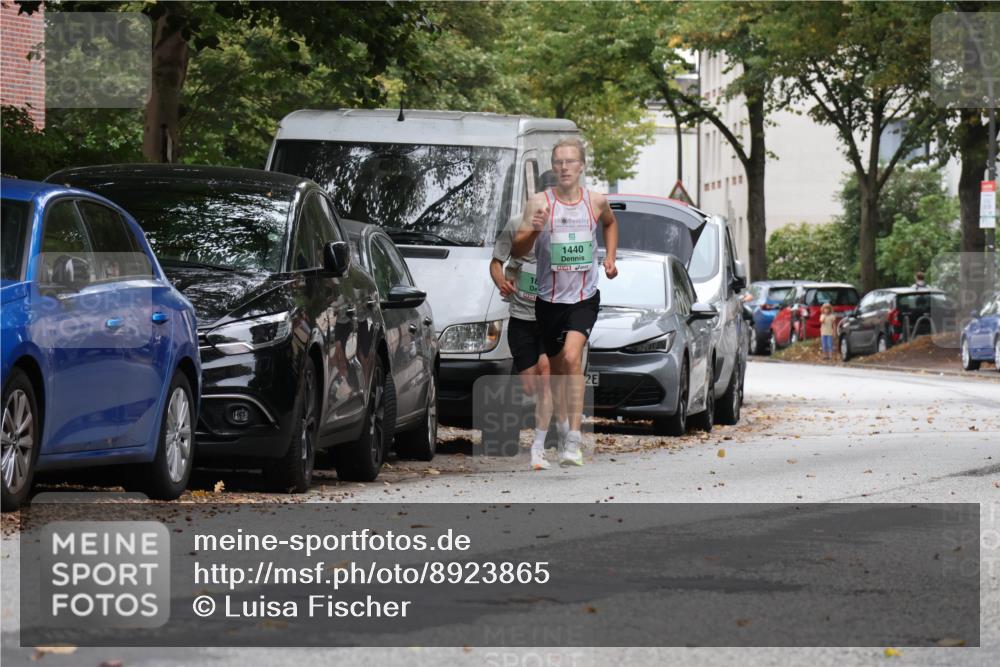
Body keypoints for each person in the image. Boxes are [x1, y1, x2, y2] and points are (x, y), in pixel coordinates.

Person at [512, 137, 619, 467]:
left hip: (584, 298)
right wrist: (535, 230)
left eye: (570, 161)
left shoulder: (596, 201)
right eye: (559, 162)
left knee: (572, 357)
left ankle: (573, 440)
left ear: (582, 166)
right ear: (553, 167)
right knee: (558, 372)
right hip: (549, 301)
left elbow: (611, 223)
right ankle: (561, 428)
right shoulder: (539, 203)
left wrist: (610, 258)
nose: (564, 167)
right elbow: (517, 249)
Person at [490, 216, 554, 470]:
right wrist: (501, 283)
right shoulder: (517, 224)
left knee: (546, 374)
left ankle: (538, 448)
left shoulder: (565, 225)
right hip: (521, 317)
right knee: (530, 386)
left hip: (551, 317)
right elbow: (496, 262)